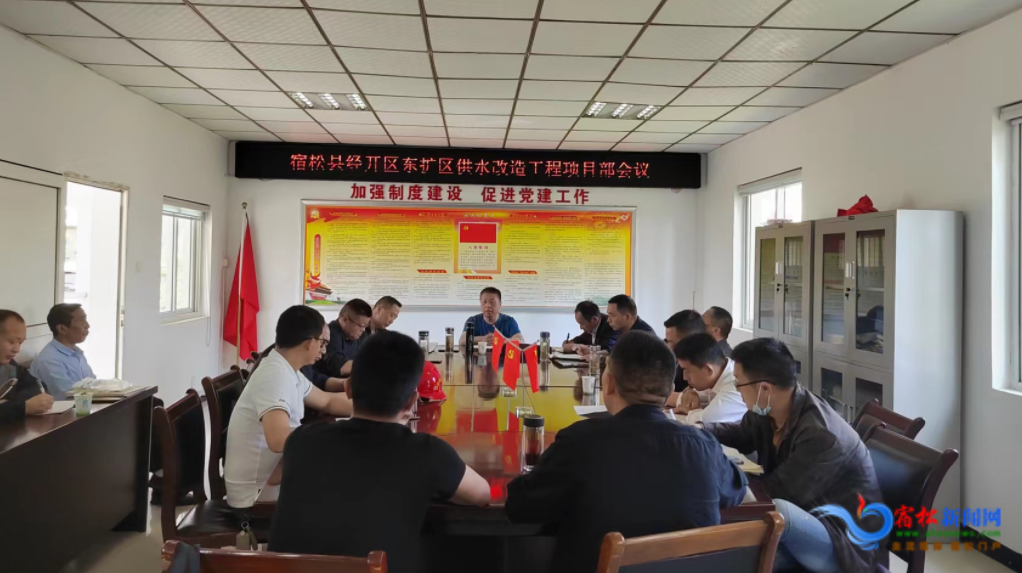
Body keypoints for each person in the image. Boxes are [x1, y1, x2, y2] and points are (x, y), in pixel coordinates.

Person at [505, 331, 747, 573]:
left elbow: (520, 506)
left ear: (609, 383)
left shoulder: (580, 441)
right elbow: (736, 491)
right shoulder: (704, 446)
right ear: (670, 390)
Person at [269, 331, 490, 573]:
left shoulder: (300, 441)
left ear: (349, 389)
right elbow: (482, 494)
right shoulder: (428, 452)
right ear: (411, 402)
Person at [703, 338, 882, 573]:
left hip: (843, 545)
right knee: (729, 549)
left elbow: (777, 493)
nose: (737, 390)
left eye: (739, 383)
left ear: (764, 388)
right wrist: (697, 431)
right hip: (807, 519)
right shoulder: (766, 408)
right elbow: (741, 434)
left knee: (744, 549)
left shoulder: (821, 435)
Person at [224, 305, 354, 508]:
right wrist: (336, 433)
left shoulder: (287, 370)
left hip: (275, 476)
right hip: (255, 497)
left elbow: (327, 401)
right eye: (323, 343)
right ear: (309, 342)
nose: (324, 350)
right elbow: (278, 439)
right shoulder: (274, 376)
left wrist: (380, 406)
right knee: (347, 484)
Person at [671, 334, 746, 425]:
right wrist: (688, 396)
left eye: (687, 371)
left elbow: (705, 420)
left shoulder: (735, 384)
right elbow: (685, 400)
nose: (684, 377)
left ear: (708, 370)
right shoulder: (715, 375)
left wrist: (692, 412)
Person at [302, 298, 373, 392]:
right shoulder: (330, 334)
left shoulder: (358, 336)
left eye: (365, 326)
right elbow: (340, 366)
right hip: (324, 388)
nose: (363, 330)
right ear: (345, 320)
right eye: (361, 325)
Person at [30, 303, 95, 399]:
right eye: (81, 321)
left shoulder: (77, 353)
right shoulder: (49, 359)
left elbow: (93, 384)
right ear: (62, 329)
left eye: (85, 319)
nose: (87, 325)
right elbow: (67, 396)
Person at [0, 310, 54, 423]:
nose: (17, 349)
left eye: (20, 343)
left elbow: (37, 387)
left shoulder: (10, 365)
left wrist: (8, 405)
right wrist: (24, 407)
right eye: (12, 342)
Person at [459, 287, 524, 345]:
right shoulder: (472, 321)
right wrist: (483, 339)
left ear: (500, 304)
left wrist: (500, 340)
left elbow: (521, 340)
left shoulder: (509, 321)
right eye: (484, 302)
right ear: (480, 303)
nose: (488, 305)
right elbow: (462, 341)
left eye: (492, 302)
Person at [663, 310, 706, 393]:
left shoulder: (703, 367)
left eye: (672, 342)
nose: (668, 346)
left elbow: (687, 397)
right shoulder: (674, 356)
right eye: (667, 341)